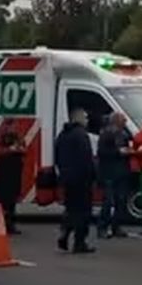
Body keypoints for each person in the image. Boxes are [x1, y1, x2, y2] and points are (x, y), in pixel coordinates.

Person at [54, 108, 96, 253]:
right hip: (81, 179)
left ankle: (65, 232)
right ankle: (79, 242)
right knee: (83, 211)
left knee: (71, 208)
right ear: (78, 119)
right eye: (85, 117)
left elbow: (57, 154)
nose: (87, 120)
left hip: (67, 178)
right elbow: (87, 158)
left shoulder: (63, 134)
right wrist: (92, 175)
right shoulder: (81, 135)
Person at [95, 111, 133, 238]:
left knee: (121, 201)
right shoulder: (106, 134)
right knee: (108, 201)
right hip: (109, 172)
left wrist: (129, 151)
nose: (125, 122)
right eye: (123, 120)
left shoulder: (124, 134)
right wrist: (118, 152)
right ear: (116, 120)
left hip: (122, 171)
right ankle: (102, 227)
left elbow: (129, 146)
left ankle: (117, 226)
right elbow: (102, 152)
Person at [0, 124, 25, 235]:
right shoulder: (0, 138)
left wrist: (17, 149)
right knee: (4, 201)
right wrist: (11, 150)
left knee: (11, 201)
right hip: (5, 173)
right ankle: (5, 224)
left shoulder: (18, 138)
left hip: (12, 172)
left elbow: (24, 150)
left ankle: (9, 224)